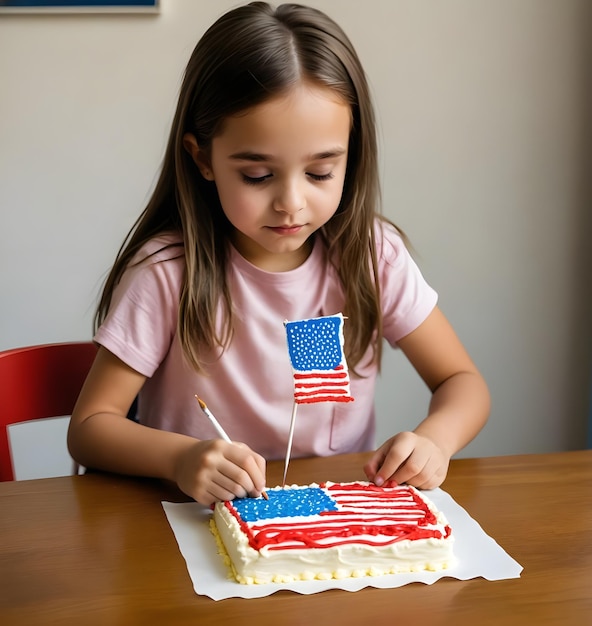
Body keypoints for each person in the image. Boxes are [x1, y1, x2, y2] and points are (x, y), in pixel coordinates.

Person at [68, 1, 490, 506]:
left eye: (320, 173)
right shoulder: (167, 273)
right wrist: (179, 458)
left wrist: (435, 442)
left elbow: (463, 383)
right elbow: (91, 427)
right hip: (191, 526)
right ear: (202, 157)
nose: (291, 202)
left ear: (350, 156)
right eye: (257, 175)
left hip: (333, 519)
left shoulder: (372, 257)